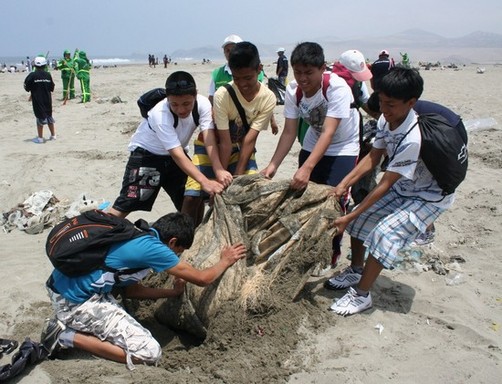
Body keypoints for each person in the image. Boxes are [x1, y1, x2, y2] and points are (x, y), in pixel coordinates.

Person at [326, 67, 456, 316]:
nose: (384, 110)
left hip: (428, 195)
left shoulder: (413, 137)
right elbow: (374, 157)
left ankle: (361, 295)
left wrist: (346, 218)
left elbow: (385, 183)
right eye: (382, 102)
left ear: (411, 103)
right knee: (360, 217)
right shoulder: (387, 119)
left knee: (385, 233)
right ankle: (356, 270)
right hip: (405, 186)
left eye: (391, 104)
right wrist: (344, 184)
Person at [40, 212, 247, 369]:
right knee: (149, 353)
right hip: (77, 303)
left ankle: (67, 325)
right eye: (178, 251)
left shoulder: (138, 234)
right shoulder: (154, 249)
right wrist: (225, 260)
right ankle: (63, 335)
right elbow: (203, 278)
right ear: (173, 241)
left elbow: (132, 291)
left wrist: (172, 293)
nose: (177, 256)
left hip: (63, 290)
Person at [260, 42, 360, 271]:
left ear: (322, 68)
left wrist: (306, 168)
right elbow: (289, 131)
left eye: (309, 72)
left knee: (334, 201)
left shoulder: (337, 88)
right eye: (298, 72)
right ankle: (305, 250)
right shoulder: (294, 91)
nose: (303, 78)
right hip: (314, 141)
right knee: (304, 200)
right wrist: (273, 165)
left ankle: (329, 255)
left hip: (343, 146)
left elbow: (330, 130)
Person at [182, 41, 276, 226]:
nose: (242, 84)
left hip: (242, 147)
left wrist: (236, 178)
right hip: (211, 147)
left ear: (259, 69)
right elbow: (224, 142)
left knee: (245, 192)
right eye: (237, 78)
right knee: (192, 196)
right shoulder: (222, 95)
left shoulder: (268, 98)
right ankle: (185, 236)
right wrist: (220, 174)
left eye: (248, 78)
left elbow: (250, 140)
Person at [108, 71, 225, 219]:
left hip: (176, 156)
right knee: (128, 202)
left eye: (186, 103)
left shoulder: (203, 104)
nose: (181, 109)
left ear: (195, 94)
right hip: (148, 155)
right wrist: (205, 181)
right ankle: (100, 232)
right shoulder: (160, 113)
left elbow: (209, 138)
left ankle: (192, 235)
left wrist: (218, 169)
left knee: (193, 196)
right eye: (174, 104)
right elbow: (176, 153)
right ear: (167, 98)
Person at [208, 34, 279, 135]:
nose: (242, 83)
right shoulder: (217, 73)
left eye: (232, 49)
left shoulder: (254, 71)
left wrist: (272, 120)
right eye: (227, 50)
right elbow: (211, 97)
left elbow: (262, 98)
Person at [23, 56, 56, 143]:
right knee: (49, 116)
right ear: (45, 65)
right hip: (47, 99)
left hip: (38, 100)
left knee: (40, 117)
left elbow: (26, 86)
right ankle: (53, 135)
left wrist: (33, 90)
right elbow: (52, 87)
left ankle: (40, 138)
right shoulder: (48, 75)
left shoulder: (32, 75)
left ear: (35, 65)